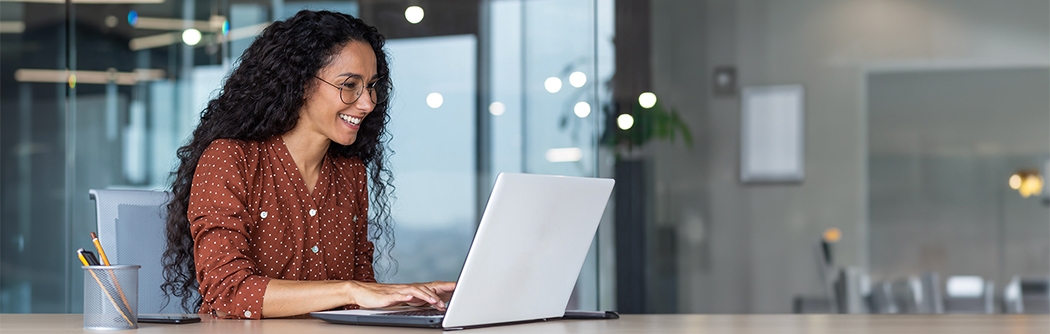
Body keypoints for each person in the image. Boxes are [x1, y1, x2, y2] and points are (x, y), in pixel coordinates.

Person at [160, 10, 455, 319]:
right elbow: (228, 292)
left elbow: (359, 298)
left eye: (371, 86)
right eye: (350, 85)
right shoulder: (230, 159)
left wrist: (408, 299)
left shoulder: (350, 173)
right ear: (300, 83)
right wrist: (349, 290)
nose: (367, 102)